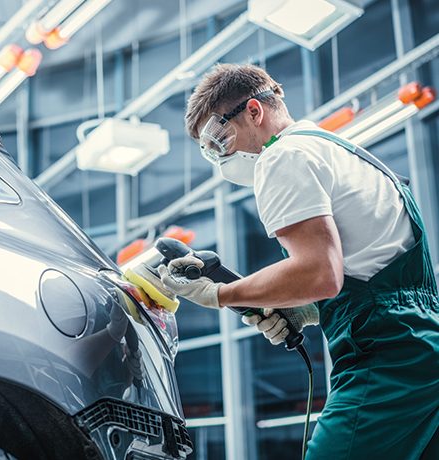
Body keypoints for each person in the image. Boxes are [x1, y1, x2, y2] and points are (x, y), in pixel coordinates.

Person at [157, 63, 439, 459]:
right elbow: (369, 265)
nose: (220, 157)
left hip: (386, 358)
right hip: (425, 344)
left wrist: (221, 292)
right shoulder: (333, 148)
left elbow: (320, 273)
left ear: (254, 112)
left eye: (219, 139)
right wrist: (308, 310)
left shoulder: (282, 157)